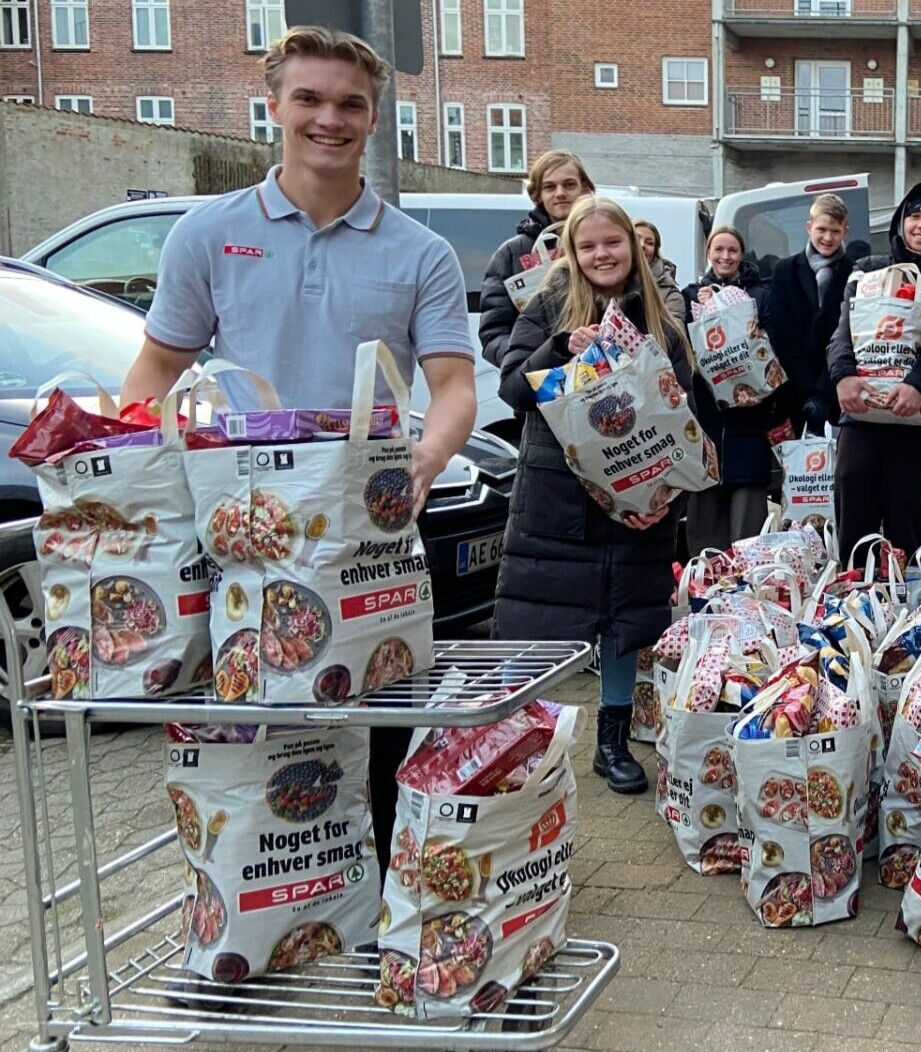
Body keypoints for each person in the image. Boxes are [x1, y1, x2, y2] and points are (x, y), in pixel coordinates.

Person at [123, 26, 476, 873]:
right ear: (274, 106)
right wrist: (129, 484)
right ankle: (259, 920)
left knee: (388, 735)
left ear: (375, 118)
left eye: (350, 104)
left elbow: (455, 387)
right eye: (310, 100)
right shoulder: (207, 235)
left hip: (369, 538)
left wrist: (426, 458)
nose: (330, 119)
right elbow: (158, 367)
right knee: (250, 741)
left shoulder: (419, 252)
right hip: (243, 539)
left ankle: (393, 924)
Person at [496, 194, 696, 796]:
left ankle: (610, 743)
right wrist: (559, 351)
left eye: (612, 243)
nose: (601, 254)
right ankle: (521, 740)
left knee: (622, 622)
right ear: (573, 254)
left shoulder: (659, 316)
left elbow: (684, 406)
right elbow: (512, 386)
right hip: (558, 498)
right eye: (588, 246)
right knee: (542, 618)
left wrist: (669, 493)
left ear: (631, 248)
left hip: (637, 498)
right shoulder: (549, 306)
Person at [826, 183, 921, 561]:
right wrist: (842, 375)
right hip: (860, 424)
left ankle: (903, 614)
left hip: (916, 430)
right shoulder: (866, 270)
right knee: (853, 539)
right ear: (901, 221)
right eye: (915, 215)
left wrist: (917, 384)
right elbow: (842, 332)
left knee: (905, 541)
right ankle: (853, 613)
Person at [680, 225, 777, 553]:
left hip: (749, 419)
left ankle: (746, 593)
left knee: (747, 529)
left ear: (741, 254)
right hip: (705, 421)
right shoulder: (690, 295)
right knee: (704, 522)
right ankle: (704, 588)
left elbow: (774, 349)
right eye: (718, 250)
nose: (725, 256)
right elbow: (681, 349)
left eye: (732, 250)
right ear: (708, 253)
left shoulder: (761, 295)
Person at [479, 150, 595, 367]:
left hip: (605, 374)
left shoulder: (609, 244)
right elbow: (494, 333)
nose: (560, 193)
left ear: (585, 188)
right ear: (537, 194)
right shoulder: (512, 254)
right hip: (542, 383)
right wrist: (531, 361)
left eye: (569, 184)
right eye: (550, 187)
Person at [762, 193, 855, 436]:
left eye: (835, 231)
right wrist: (807, 389)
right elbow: (780, 333)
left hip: (836, 390)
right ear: (809, 227)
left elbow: (853, 333)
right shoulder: (785, 271)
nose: (827, 237)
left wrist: (823, 390)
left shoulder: (854, 272)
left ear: (845, 231)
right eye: (821, 229)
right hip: (794, 390)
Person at [633, 219, 686, 322]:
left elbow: (676, 334)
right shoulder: (606, 282)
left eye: (650, 243)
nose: (642, 245)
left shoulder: (670, 294)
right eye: (636, 239)